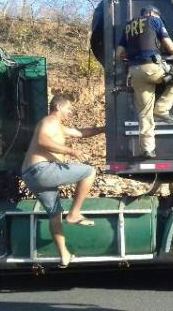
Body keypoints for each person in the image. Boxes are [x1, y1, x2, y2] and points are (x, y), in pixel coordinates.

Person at [21, 93, 104, 268]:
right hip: (41, 170)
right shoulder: (49, 121)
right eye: (69, 109)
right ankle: (74, 213)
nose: (71, 113)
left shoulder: (59, 127)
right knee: (89, 171)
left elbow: (81, 133)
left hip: (33, 176)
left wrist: (102, 129)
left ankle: (64, 254)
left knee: (55, 214)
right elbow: (43, 140)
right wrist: (69, 151)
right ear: (58, 107)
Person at [116, 5, 173, 159]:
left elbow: (119, 53)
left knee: (144, 113)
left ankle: (148, 149)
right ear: (152, 13)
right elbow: (169, 46)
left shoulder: (128, 26)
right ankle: (161, 109)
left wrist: (135, 54)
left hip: (134, 72)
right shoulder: (154, 21)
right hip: (152, 67)